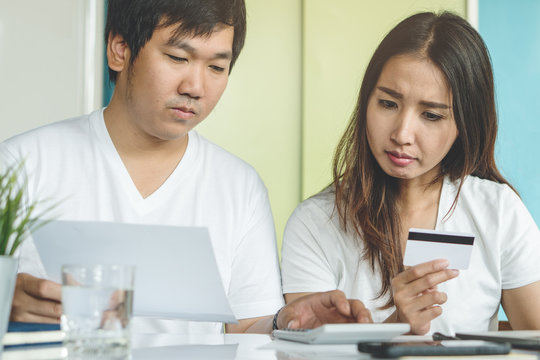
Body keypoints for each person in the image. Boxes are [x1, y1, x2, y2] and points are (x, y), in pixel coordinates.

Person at [1, 0, 371, 334]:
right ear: (120, 49)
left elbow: (244, 325)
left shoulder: (239, 187)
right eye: (178, 58)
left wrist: (287, 321)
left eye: (216, 66)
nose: (196, 86)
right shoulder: (22, 166)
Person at [281, 11, 540, 335]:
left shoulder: (498, 212)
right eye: (388, 104)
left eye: (431, 115)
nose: (402, 133)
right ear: (366, 101)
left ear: (464, 124)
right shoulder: (314, 224)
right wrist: (396, 328)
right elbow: (303, 353)